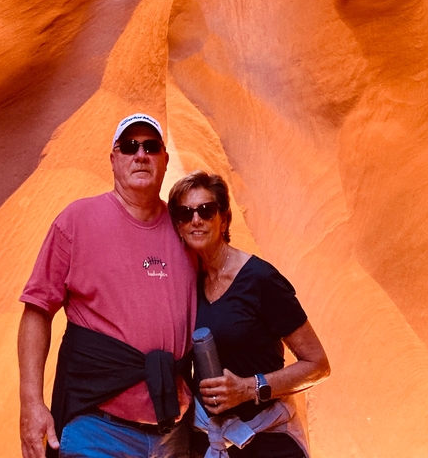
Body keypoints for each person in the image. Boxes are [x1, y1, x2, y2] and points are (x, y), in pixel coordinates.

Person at [18, 113, 197, 458]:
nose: (140, 155)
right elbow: (37, 310)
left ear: (164, 159)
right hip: (97, 429)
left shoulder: (185, 229)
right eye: (129, 147)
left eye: (151, 146)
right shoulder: (77, 221)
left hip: (172, 435)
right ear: (113, 160)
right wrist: (31, 404)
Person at [167, 172, 330, 458]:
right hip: (210, 441)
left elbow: (317, 364)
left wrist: (248, 388)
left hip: (267, 441)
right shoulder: (188, 282)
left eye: (206, 210)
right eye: (185, 213)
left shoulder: (260, 279)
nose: (196, 220)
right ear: (178, 226)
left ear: (224, 218)